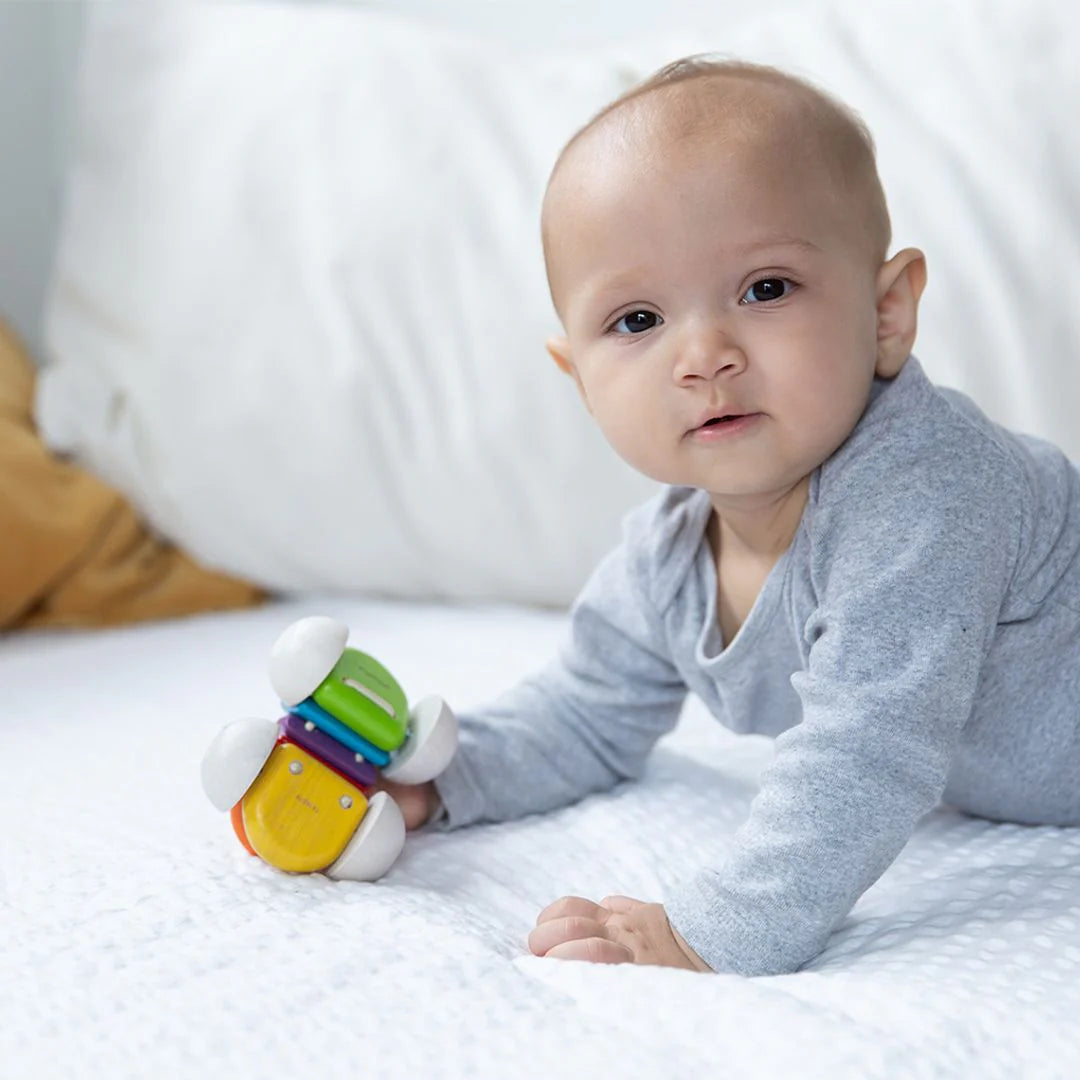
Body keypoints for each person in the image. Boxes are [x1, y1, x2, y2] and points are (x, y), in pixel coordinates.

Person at [377, 55, 1080, 976]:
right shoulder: (668, 558)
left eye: (765, 289)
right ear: (580, 380)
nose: (704, 355)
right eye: (636, 321)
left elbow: (869, 749)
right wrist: (444, 779)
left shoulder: (926, 491)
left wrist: (713, 931)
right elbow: (587, 712)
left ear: (888, 312)